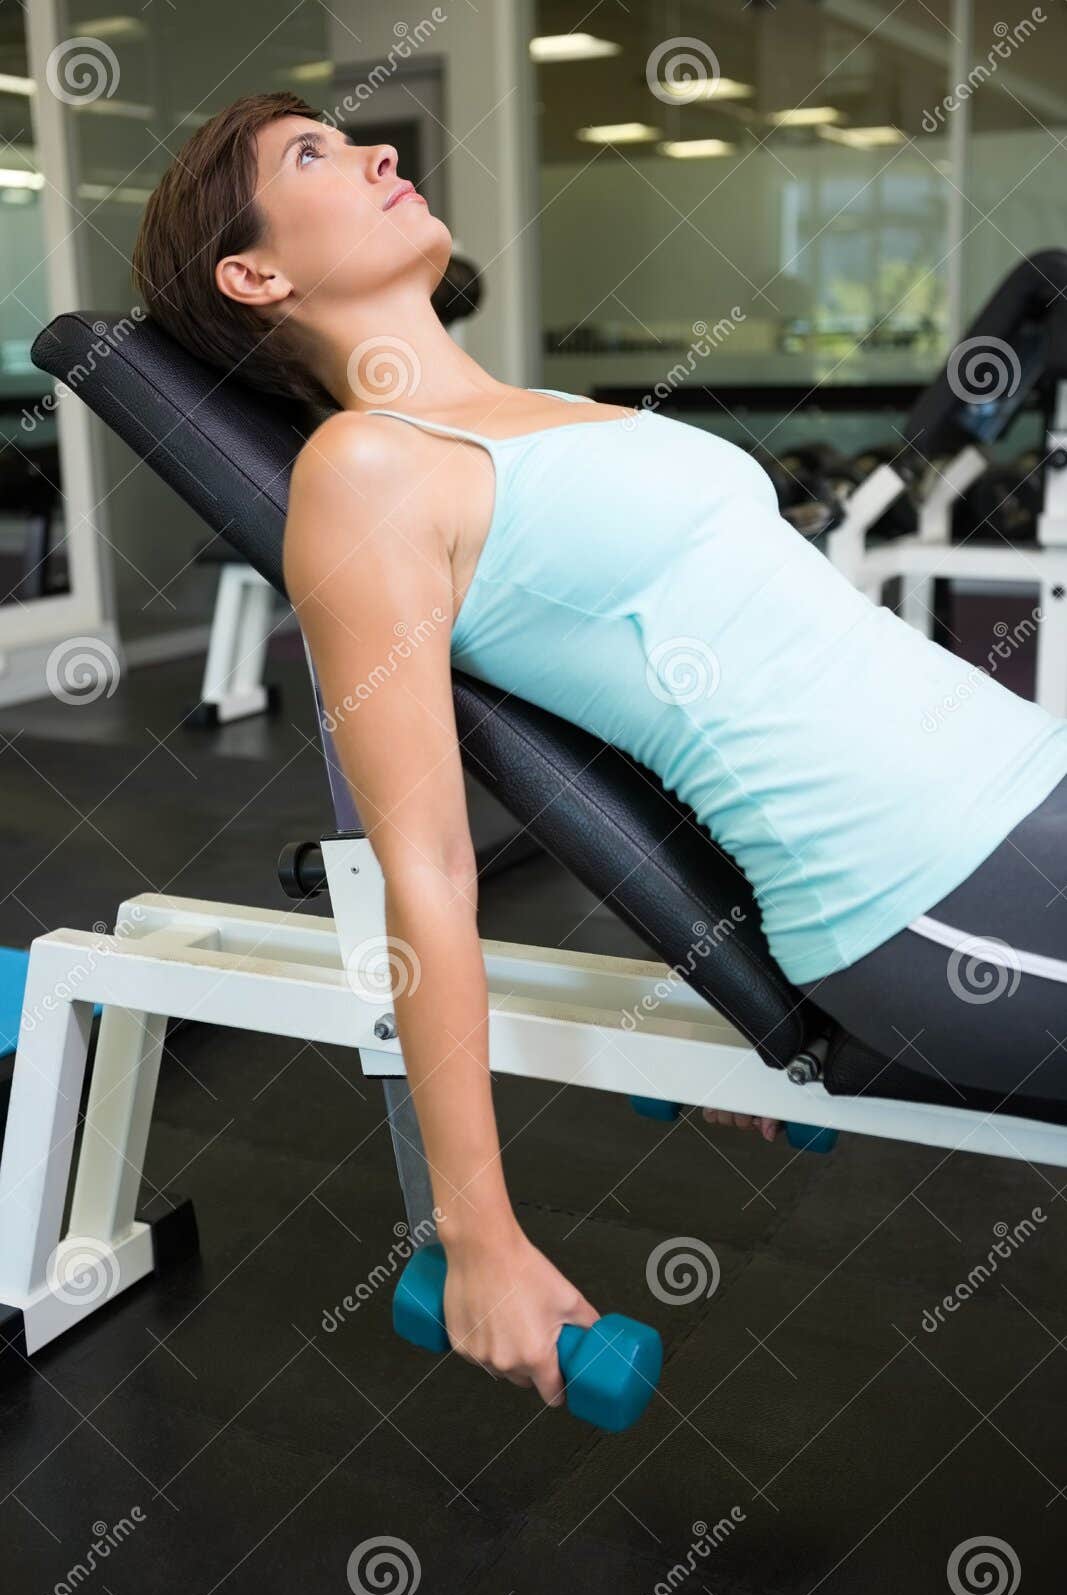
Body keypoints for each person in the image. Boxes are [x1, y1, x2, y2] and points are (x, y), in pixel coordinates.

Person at [131, 92, 1067, 1407]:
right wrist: (478, 1237)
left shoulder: (537, 407)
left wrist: (709, 966)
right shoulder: (367, 469)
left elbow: (628, 739)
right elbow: (434, 869)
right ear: (256, 273)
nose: (380, 150)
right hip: (922, 878)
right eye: (313, 155)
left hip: (1027, 782)